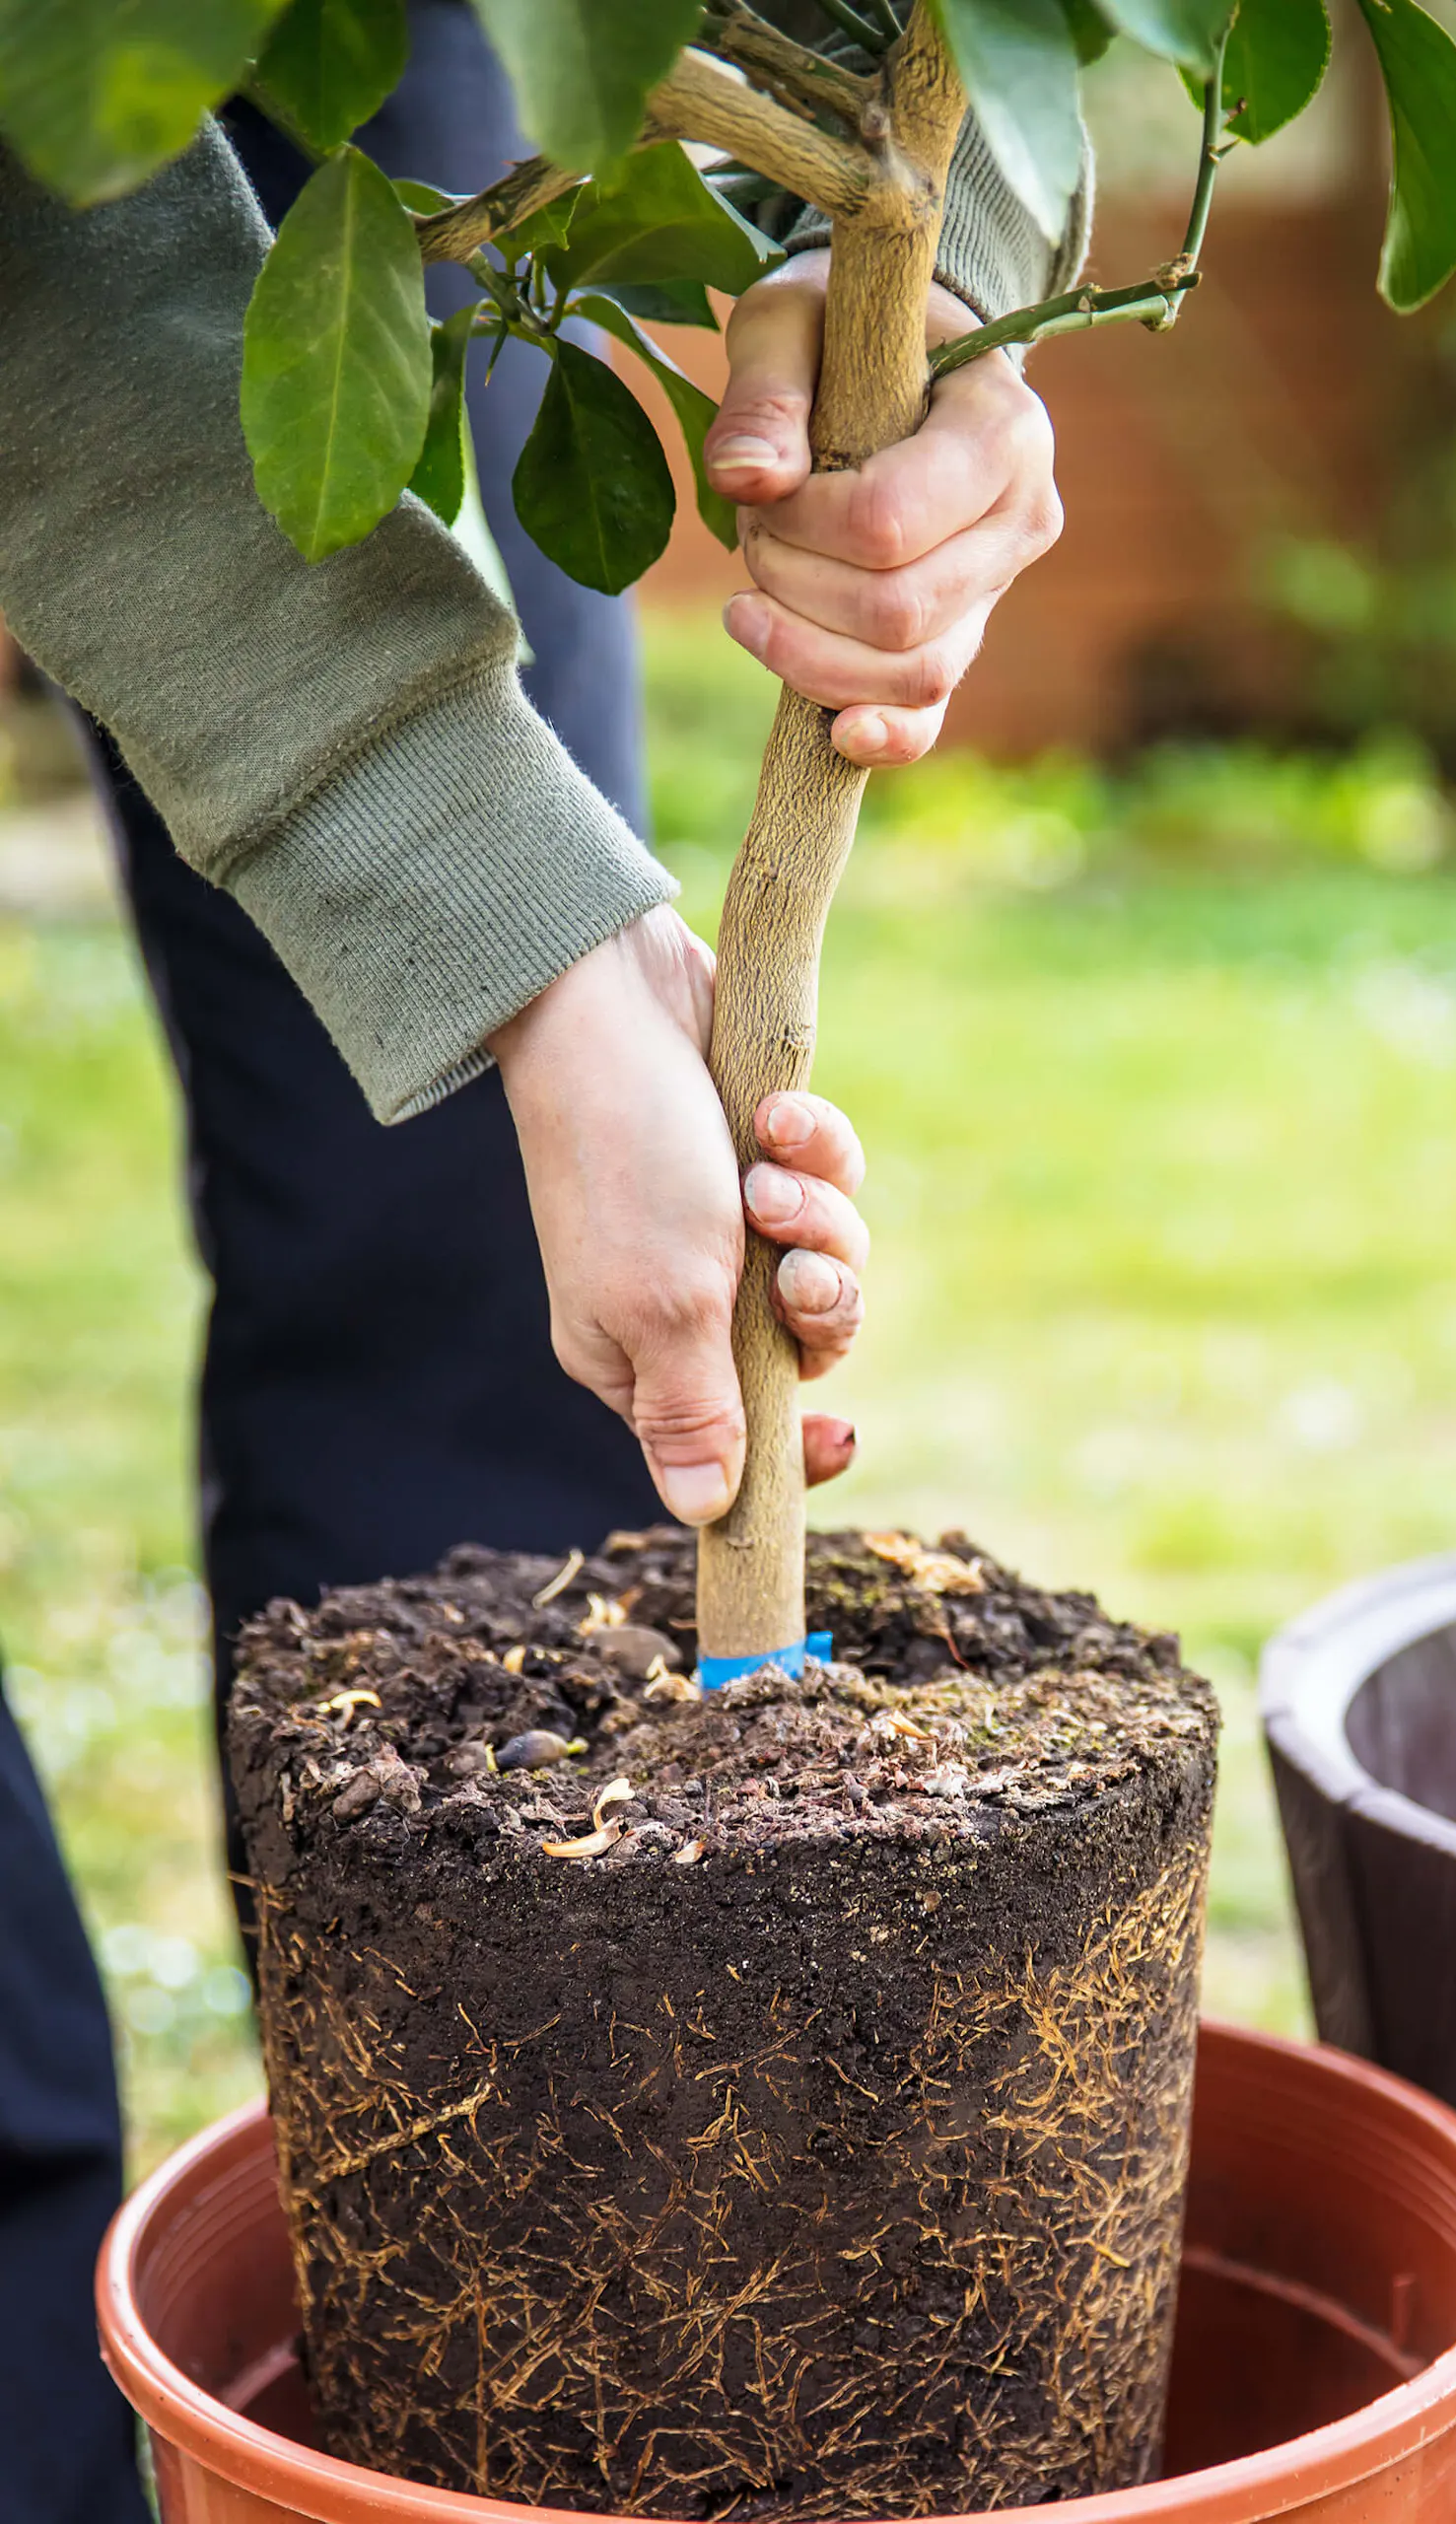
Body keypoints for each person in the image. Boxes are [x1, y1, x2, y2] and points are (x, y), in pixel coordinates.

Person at [0, 4, 1082, 2512]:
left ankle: (518, 2334)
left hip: (395, 55)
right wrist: (506, 927)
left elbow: (976, 42)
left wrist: (950, 287)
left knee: (478, 1238)